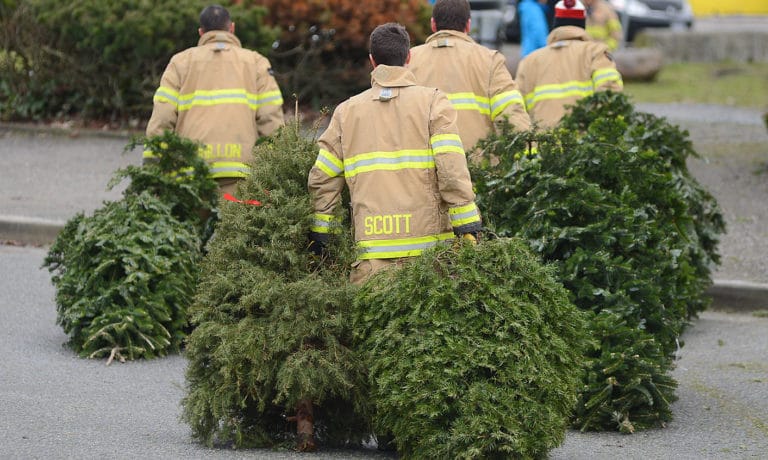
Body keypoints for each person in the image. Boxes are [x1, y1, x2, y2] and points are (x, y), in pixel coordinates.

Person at [307, 22, 482, 285]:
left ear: (372, 61)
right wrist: (467, 225)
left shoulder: (346, 113)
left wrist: (322, 234)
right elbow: (451, 168)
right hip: (429, 259)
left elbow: (323, 178)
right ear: (408, 57)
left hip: (372, 258)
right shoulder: (434, 102)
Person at [145, 4, 285, 196]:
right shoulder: (256, 63)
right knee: (235, 225)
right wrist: (278, 171)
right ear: (232, 28)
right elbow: (271, 120)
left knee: (192, 226)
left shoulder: (180, 63)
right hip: (241, 175)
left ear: (201, 32)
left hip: (191, 176)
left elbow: (162, 118)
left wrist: (152, 171)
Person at [408, 0, 532, 161]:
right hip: (478, 171)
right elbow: (511, 115)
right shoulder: (489, 60)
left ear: (433, 24)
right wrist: (529, 157)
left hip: (424, 171)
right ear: (468, 25)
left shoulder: (410, 61)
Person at [515, 0, 623, 129]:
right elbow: (610, 94)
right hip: (584, 141)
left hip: (542, 142)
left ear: (556, 24)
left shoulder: (530, 60)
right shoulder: (597, 53)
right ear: (583, 24)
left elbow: (517, 107)